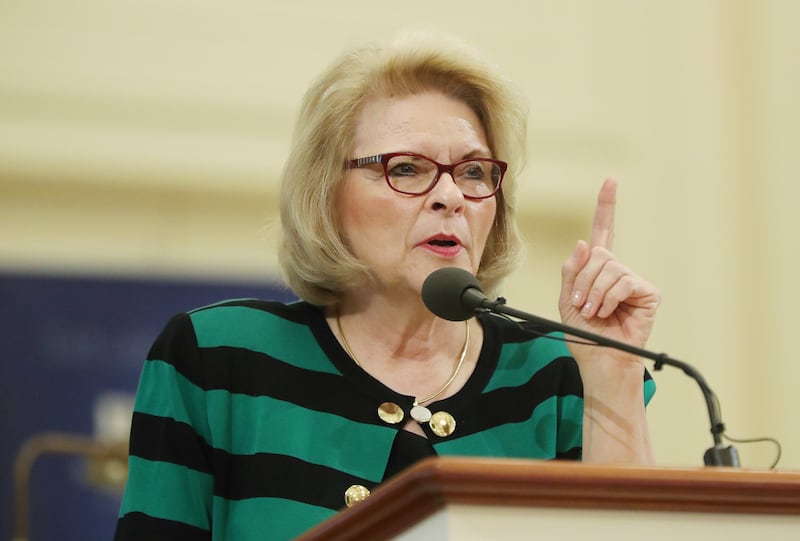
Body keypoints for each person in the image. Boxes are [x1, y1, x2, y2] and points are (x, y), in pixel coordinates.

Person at [114, 33, 659, 541]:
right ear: (327, 193)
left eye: (473, 172)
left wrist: (614, 378)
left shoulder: (556, 376)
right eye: (407, 167)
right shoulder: (219, 359)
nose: (450, 196)